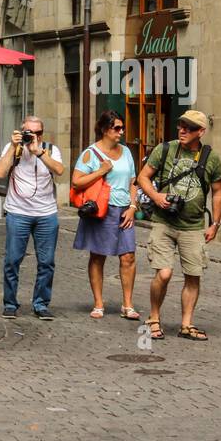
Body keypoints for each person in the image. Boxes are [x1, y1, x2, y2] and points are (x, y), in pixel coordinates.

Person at [136, 109, 221, 342]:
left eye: (190, 127)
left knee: (193, 275)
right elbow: (143, 177)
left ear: (201, 132)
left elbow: (217, 192)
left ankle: (187, 324)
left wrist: (215, 223)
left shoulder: (211, 157)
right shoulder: (165, 149)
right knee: (164, 273)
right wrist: (156, 197)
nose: (183, 130)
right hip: (163, 222)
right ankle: (153, 318)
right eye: (181, 125)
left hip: (193, 226)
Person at [71, 110, 140, 320]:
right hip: (103, 210)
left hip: (124, 210)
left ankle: (127, 304)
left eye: (122, 127)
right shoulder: (90, 153)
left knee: (128, 256)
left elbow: (133, 182)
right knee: (98, 256)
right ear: (104, 129)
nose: (121, 132)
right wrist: (101, 171)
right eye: (116, 128)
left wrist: (133, 206)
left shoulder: (126, 152)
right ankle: (98, 303)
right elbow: (76, 181)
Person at [0, 115, 65, 320]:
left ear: (42, 134)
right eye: (29, 132)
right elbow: (0, 173)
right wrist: (12, 147)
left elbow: (60, 170)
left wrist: (39, 152)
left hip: (46, 214)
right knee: (12, 260)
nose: (33, 136)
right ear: (22, 131)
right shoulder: (13, 148)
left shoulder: (50, 149)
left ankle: (41, 304)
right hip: (18, 212)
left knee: (47, 262)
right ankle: (10, 303)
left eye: (38, 133)